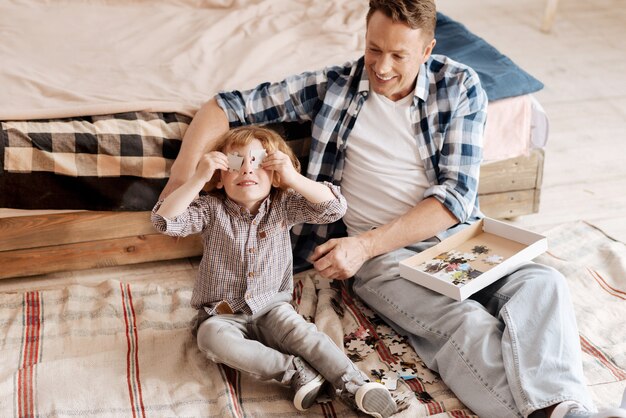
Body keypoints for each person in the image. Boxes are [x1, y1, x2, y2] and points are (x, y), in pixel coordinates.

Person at [161, 1, 626, 417]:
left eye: (398, 55)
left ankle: (564, 408)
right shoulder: (337, 86)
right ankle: (563, 413)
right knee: (463, 323)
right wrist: (183, 184)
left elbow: (456, 198)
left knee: (543, 284)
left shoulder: (460, 87)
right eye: (373, 49)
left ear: (427, 50)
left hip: (452, 241)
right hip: (385, 262)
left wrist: (362, 245)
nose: (381, 67)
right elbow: (226, 106)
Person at [152, 126, 397, 417]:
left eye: (258, 162)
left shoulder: (284, 205)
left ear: (274, 174)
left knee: (305, 335)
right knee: (210, 340)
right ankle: (295, 372)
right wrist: (198, 177)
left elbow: (334, 208)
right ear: (220, 177)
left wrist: (293, 178)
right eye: (235, 163)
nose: (247, 170)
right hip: (221, 313)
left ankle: (356, 385)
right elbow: (164, 221)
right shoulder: (210, 209)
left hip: (272, 306)